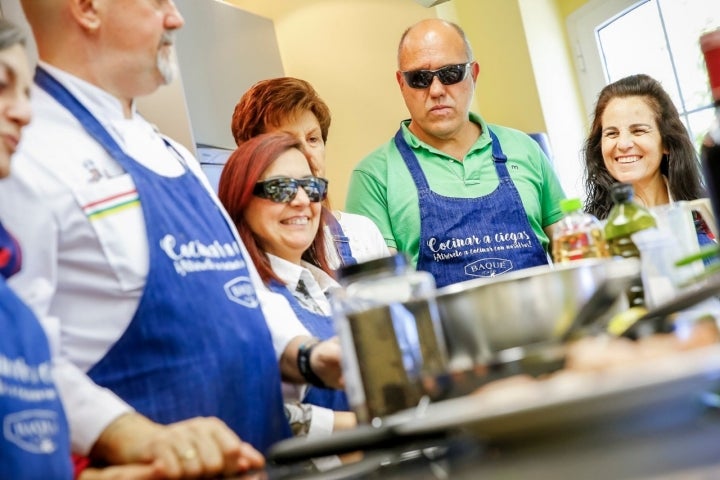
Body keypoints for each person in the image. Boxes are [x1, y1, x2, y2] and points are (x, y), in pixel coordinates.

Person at [0, 0, 343, 474]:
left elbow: (243, 297)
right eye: (159, 1)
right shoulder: (23, 153)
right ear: (87, 9)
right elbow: (20, 355)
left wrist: (309, 355)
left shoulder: (174, 155)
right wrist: (132, 436)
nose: (176, 17)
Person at [345, 19, 566, 288]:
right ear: (401, 84)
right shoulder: (374, 176)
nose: (436, 90)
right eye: (420, 79)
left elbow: (574, 251)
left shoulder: (524, 149)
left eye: (450, 74)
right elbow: (381, 295)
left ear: (473, 73)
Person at [218, 132, 355, 446]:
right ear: (240, 201)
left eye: (311, 187)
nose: (302, 201)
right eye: (280, 188)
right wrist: (363, 422)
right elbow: (250, 413)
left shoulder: (328, 288)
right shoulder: (241, 301)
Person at [231, 76, 390, 269]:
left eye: (313, 139)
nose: (306, 153)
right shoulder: (233, 254)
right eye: (287, 142)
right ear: (251, 156)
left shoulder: (362, 233)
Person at [582, 73, 714, 246]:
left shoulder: (706, 212)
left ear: (666, 142)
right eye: (612, 133)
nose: (623, 144)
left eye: (638, 131)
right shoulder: (592, 233)